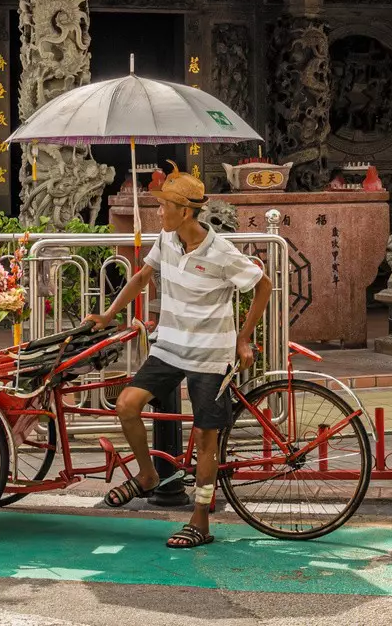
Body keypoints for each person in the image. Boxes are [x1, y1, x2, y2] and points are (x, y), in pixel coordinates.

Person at [89, 170, 272, 548]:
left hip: (210, 354)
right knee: (127, 404)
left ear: (185, 212)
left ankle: (200, 521)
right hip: (169, 346)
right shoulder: (166, 240)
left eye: (164, 207)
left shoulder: (221, 253)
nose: (159, 214)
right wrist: (108, 315)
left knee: (206, 438)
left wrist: (243, 337)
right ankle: (147, 476)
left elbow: (263, 285)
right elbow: (141, 278)